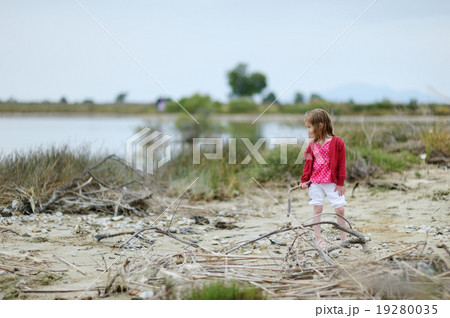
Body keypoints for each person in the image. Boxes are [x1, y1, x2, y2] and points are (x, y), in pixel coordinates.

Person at [298, 109, 347, 248]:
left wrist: (340, 183)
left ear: (319, 126)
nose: (308, 130)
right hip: (315, 182)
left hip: (332, 182)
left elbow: (342, 164)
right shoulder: (311, 146)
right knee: (317, 208)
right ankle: (318, 238)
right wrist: (304, 181)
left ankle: (344, 239)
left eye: (309, 127)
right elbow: (308, 166)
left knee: (340, 209)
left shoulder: (337, 143)